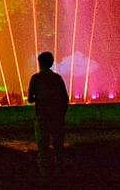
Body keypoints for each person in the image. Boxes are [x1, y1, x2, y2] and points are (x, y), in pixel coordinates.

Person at [27, 50, 69, 180]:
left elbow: (30, 99)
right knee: (58, 146)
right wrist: (62, 113)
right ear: (51, 63)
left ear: (40, 63)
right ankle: (59, 172)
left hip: (42, 117)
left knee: (43, 147)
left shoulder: (36, 78)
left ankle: (45, 174)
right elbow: (65, 98)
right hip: (57, 117)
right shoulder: (57, 78)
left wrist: (38, 97)